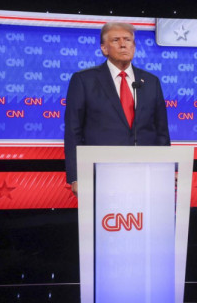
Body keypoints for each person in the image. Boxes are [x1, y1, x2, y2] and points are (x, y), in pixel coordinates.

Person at [64, 22, 171, 195]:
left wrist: (166, 169)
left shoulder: (151, 81)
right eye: (116, 40)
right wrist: (76, 176)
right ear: (104, 48)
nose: (123, 44)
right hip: (101, 173)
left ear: (134, 46)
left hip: (145, 173)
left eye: (128, 40)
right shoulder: (84, 80)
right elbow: (73, 131)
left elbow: (161, 131)